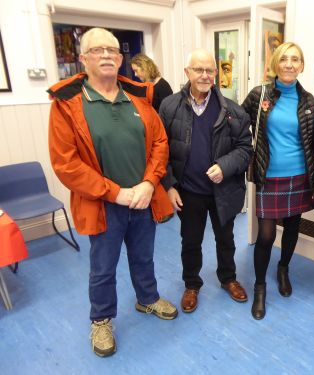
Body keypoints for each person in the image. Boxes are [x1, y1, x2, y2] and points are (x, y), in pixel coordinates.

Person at [47, 28, 178, 358]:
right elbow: (67, 164)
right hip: (104, 205)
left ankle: (147, 299)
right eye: (97, 50)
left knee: (143, 256)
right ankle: (101, 319)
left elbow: (160, 144)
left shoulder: (138, 97)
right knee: (103, 267)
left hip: (144, 201)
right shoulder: (68, 105)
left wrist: (149, 183)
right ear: (84, 59)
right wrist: (115, 193)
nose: (106, 55)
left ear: (121, 59)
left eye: (112, 50)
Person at [159, 48, 252, 314]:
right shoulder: (169, 106)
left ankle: (228, 278)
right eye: (198, 69)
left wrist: (225, 166)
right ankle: (191, 284)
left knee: (226, 239)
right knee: (190, 241)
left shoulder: (233, 110)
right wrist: (168, 185)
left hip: (223, 190)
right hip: (188, 192)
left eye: (209, 70)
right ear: (187, 72)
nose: (204, 75)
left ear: (216, 74)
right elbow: (158, 150)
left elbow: (245, 149)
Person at [242, 42, 314, 320]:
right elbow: (239, 127)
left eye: (295, 59)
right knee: (265, 235)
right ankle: (260, 287)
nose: (289, 64)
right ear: (276, 63)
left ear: (301, 65)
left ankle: (284, 268)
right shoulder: (259, 94)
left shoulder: (308, 100)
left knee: (292, 227)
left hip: (299, 175)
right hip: (268, 176)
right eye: (284, 59)